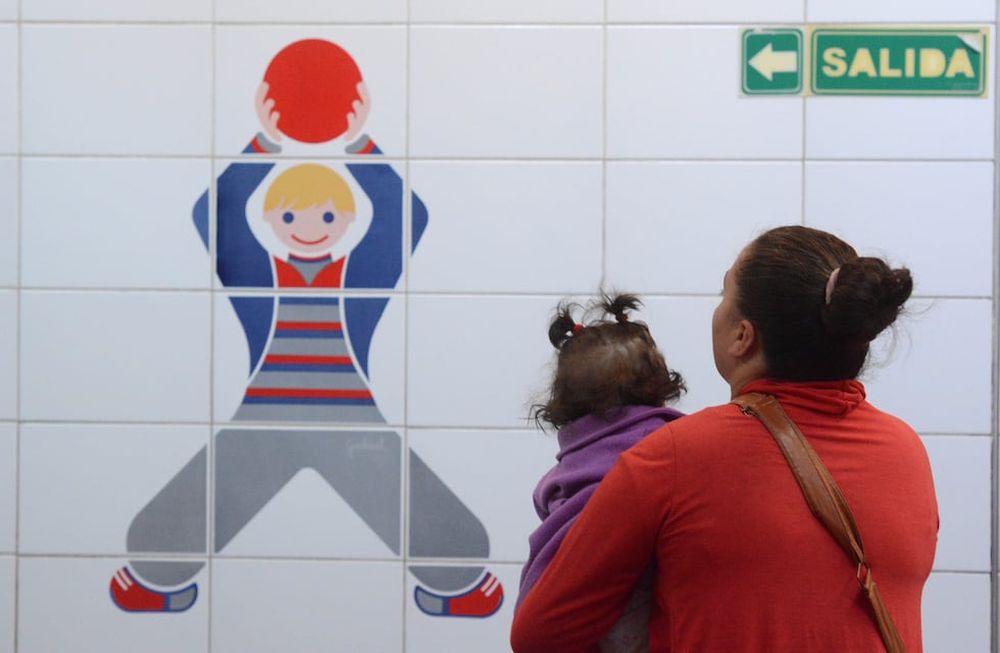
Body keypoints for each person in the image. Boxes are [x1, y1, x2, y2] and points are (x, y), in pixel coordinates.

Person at [109, 41, 503, 619]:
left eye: (325, 216)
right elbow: (211, 212)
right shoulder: (255, 275)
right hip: (264, 418)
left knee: (418, 510)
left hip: (351, 421)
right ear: (270, 220)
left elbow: (404, 213)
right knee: (195, 504)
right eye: (290, 216)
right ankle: (152, 575)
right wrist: (265, 141)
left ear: (346, 221)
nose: (308, 228)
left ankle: (456, 584)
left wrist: (357, 142)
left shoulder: (360, 276)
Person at [511, 226, 938, 652]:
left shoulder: (673, 457)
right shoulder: (907, 451)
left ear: (742, 336)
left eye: (723, 294)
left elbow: (539, 633)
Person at [520, 293, 685, 652]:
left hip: (583, 618)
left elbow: (548, 511)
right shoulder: (666, 445)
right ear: (660, 385)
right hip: (647, 616)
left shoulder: (567, 467)